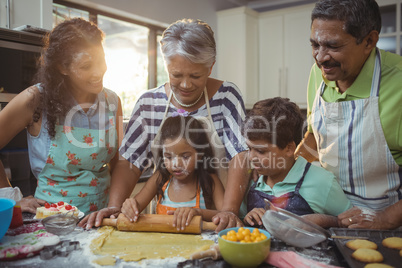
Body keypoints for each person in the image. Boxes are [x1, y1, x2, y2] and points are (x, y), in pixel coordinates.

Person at [80, 18, 247, 230]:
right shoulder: (148, 103)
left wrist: (229, 211)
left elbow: (240, 157)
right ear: (166, 65)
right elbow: (129, 163)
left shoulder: (227, 96)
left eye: (195, 75)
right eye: (176, 75)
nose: (186, 85)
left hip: (218, 221)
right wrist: (115, 207)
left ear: (210, 67)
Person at [295, 0, 402, 229]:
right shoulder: (319, 73)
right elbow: (315, 137)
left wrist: (385, 219)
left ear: (369, 41)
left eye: (333, 46)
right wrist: (284, 172)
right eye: (315, 44)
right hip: (329, 215)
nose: (321, 57)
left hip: (386, 224)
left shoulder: (399, 83)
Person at [0, 18, 123, 215]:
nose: (98, 71)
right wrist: (12, 199)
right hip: (52, 221)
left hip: (102, 217)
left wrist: (116, 206)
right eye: (86, 66)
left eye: (101, 60)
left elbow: (120, 164)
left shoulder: (112, 101)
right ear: (62, 68)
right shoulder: (36, 99)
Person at [240, 98, 352, 228]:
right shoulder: (250, 181)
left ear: (289, 148)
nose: (251, 157)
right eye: (249, 149)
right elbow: (239, 223)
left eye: (260, 151)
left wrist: (326, 220)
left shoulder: (322, 182)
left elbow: (348, 224)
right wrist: (247, 219)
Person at [121, 115, 225, 230]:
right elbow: (136, 205)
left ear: (200, 155)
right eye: (169, 157)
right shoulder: (160, 178)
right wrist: (130, 206)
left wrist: (198, 212)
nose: (176, 164)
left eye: (185, 157)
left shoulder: (209, 180)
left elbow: (225, 215)